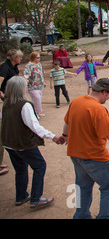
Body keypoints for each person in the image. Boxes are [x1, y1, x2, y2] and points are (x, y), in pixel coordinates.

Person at [63, 78, 109, 219]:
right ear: (104, 92)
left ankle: (81, 215)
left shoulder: (76, 101)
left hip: (75, 153)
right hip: (95, 156)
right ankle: (105, 216)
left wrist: (64, 136)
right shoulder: (99, 109)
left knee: (83, 187)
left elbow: (67, 124)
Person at [1, 76, 65, 209]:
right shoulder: (25, 105)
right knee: (40, 166)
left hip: (9, 143)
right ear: (20, 89)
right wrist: (53, 136)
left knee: (20, 169)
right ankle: (35, 199)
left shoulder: (6, 104)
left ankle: (21, 196)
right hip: (22, 144)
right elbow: (35, 126)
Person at [0, 49, 23, 176]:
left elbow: (18, 77)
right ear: (14, 57)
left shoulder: (15, 66)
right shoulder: (4, 68)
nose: (20, 59)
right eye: (19, 57)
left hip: (15, 94)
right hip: (8, 96)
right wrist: (2, 95)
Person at [23, 52, 46, 118]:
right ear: (33, 58)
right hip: (32, 86)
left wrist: (43, 82)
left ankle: (38, 112)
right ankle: (35, 113)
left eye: (39, 57)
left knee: (38, 99)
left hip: (39, 85)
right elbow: (26, 75)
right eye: (38, 58)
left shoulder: (39, 64)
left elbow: (41, 74)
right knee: (37, 99)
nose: (39, 59)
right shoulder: (29, 66)